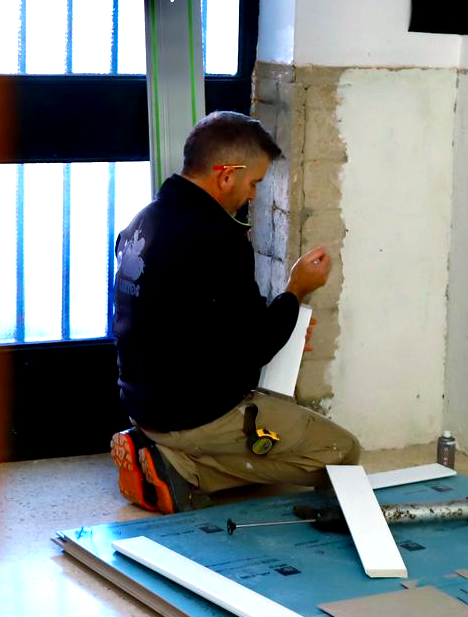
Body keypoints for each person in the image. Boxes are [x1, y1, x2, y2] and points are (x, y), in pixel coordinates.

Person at [108, 111, 362, 513]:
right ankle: (182, 468)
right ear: (227, 175)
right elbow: (253, 347)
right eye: (254, 183)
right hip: (193, 414)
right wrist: (296, 291)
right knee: (342, 453)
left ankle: (159, 448)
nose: (254, 196)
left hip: (142, 403)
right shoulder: (218, 239)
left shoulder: (142, 222)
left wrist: (282, 321)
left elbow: (190, 320)